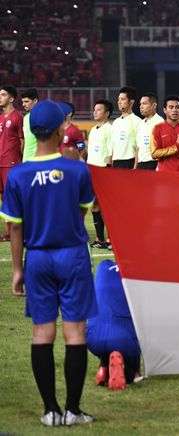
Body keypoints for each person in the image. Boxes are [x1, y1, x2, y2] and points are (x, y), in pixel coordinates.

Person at [0, 101, 97, 426]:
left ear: (30, 131)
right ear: (60, 130)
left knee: (42, 333)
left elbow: (16, 228)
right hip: (72, 255)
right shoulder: (77, 169)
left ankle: (49, 411)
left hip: (37, 259)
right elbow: (82, 211)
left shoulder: (18, 175)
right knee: (75, 332)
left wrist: (17, 269)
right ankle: (73, 410)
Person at [86, 260, 141, 391]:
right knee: (135, 371)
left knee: (108, 338)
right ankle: (131, 373)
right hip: (123, 338)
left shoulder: (103, 266)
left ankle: (103, 368)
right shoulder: (137, 270)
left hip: (92, 337)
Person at [86, 100, 113, 249]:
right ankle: (100, 239)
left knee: (106, 208)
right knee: (94, 206)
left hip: (103, 172)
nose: (95, 112)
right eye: (94, 109)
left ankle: (111, 240)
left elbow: (110, 152)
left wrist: (107, 171)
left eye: (98, 109)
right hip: (92, 172)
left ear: (107, 113)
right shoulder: (93, 130)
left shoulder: (109, 129)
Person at [0, 85, 24, 242]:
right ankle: (8, 232)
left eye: (2, 94)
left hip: (11, 162)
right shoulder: (1, 117)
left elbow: (22, 141)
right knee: (3, 197)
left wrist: (20, 161)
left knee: (12, 198)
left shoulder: (17, 116)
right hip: (0, 161)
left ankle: (15, 232)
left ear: (11, 98)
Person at [111, 86, 140, 169]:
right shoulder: (115, 122)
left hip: (129, 162)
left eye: (123, 99)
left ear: (131, 102)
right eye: (118, 99)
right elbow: (113, 147)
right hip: (116, 163)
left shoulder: (137, 121)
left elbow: (139, 147)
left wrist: (135, 167)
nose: (119, 102)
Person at [134, 93, 163, 170]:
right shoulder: (140, 123)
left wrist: (159, 168)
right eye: (140, 104)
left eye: (144, 103)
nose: (141, 106)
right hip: (141, 164)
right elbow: (138, 147)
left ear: (154, 106)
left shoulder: (160, 122)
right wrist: (135, 167)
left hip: (154, 163)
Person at [21, 88, 39, 162]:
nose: (23, 104)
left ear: (35, 101)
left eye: (26, 101)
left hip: (37, 160)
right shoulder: (26, 117)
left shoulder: (42, 116)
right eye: (22, 102)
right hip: (26, 160)